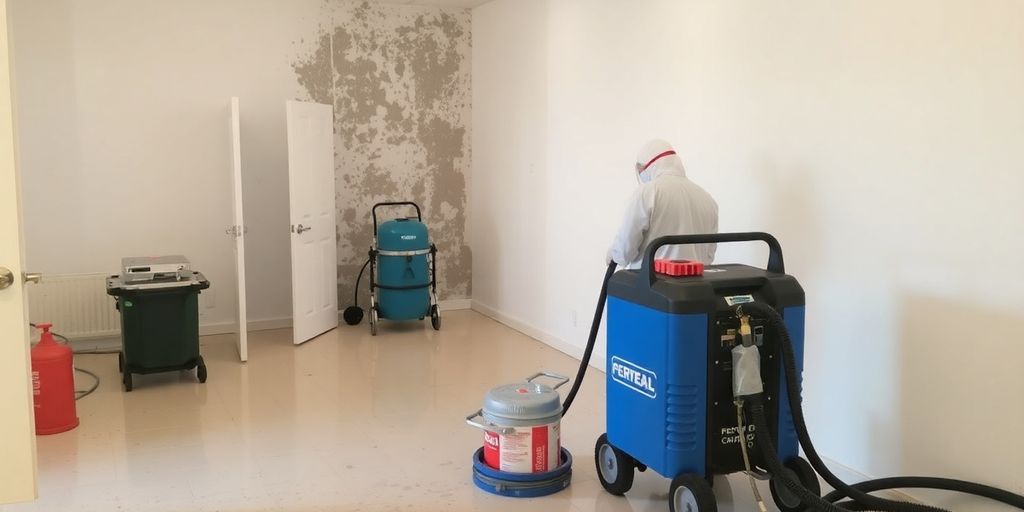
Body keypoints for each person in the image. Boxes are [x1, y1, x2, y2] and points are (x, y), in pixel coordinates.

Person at [606, 139, 719, 269]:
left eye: (640, 170)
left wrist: (613, 254)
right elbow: (709, 256)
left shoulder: (648, 192)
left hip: (651, 285)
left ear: (648, 166)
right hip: (696, 286)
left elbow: (625, 250)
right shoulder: (708, 199)